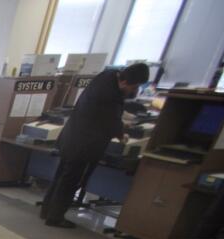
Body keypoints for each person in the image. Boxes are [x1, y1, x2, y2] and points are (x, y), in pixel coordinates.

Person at [42, 62, 149, 228]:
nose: (132, 91)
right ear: (128, 83)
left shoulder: (105, 76)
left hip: (71, 137)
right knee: (70, 181)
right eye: (133, 87)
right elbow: (112, 121)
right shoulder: (111, 95)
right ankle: (55, 217)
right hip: (84, 145)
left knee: (61, 176)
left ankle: (47, 211)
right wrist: (122, 135)